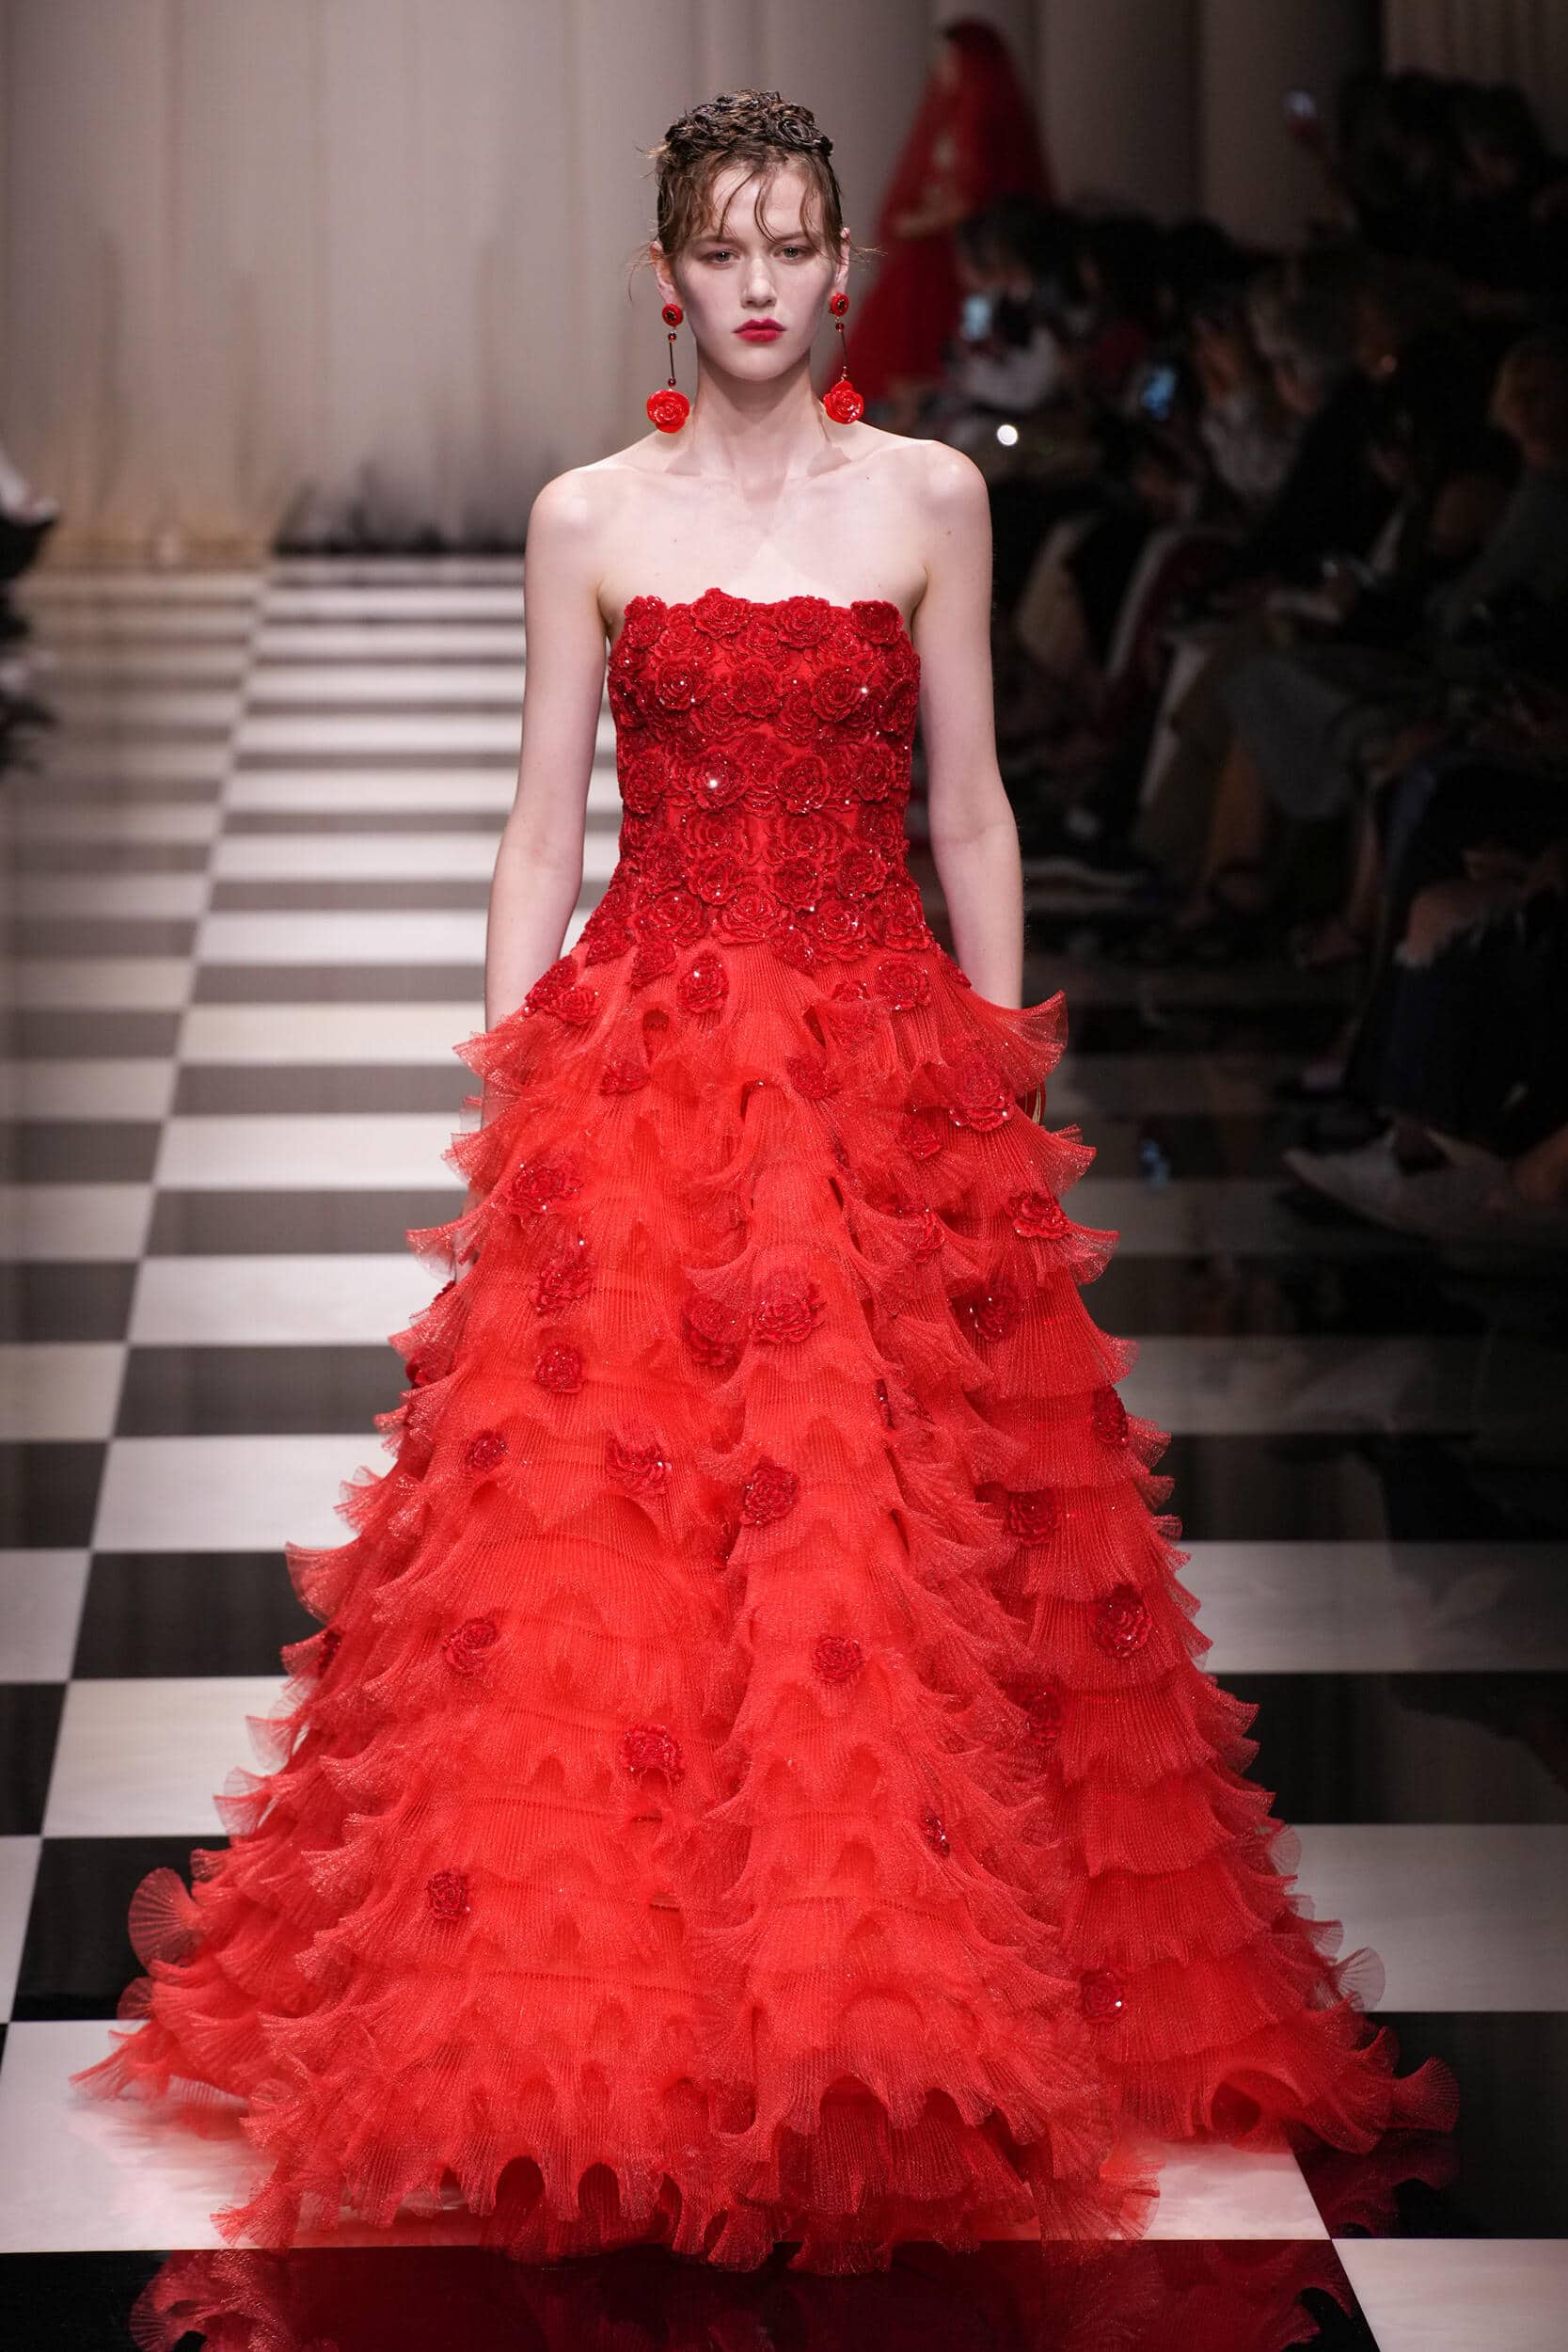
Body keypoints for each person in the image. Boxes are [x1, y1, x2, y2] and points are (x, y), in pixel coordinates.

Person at [69, 87, 1456, 2275]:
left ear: (834, 267)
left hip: (879, 1063)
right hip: (646, 1054)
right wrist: (515, 1083)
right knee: (617, 1521)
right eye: (717, 244)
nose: (754, 280)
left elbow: (971, 807)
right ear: (665, 275)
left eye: (789, 240)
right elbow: (541, 821)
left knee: (890, 1529)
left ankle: (889, 2008)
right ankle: (628, 2008)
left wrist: (998, 1078)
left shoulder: (927, 498)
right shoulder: (582, 517)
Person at [847, 19, 1054, 424]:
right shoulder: (955, 117)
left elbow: (970, 197)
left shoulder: (980, 117)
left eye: (951, 58)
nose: (943, 67)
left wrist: (916, 224)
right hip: (944, 260)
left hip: (948, 261)